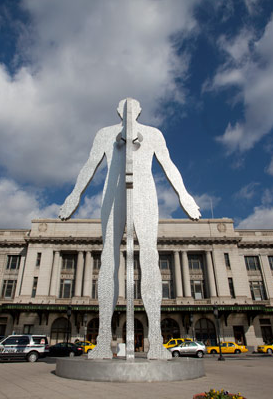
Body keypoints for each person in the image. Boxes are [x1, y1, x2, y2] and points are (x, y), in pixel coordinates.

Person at [59, 98, 200, 359]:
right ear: (119, 112)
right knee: (109, 257)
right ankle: (102, 339)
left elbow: (169, 165)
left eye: (134, 109)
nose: (129, 112)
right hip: (113, 194)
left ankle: (156, 339)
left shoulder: (154, 134)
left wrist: (184, 196)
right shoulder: (105, 134)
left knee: (150, 255)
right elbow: (89, 166)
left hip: (145, 193)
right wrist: (74, 196)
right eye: (125, 109)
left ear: (140, 111)